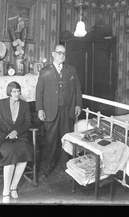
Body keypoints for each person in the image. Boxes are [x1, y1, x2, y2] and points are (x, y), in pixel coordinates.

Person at [35, 44, 82, 179]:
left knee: (67, 138)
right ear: (53, 54)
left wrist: (78, 104)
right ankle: (48, 166)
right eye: (59, 52)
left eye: (64, 53)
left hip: (67, 110)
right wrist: (40, 109)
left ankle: (66, 165)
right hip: (51, 111)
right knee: (50, 140)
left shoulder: (71, 70)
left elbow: (78, 88)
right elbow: (39, 92)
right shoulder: (45, 71)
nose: (62, 55)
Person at [0, 81, 33, 203]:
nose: (16, 94)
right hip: (3, 137)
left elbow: (28, 123)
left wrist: (17, 132)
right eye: (14, 91)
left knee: (25, 150)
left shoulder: (25, 105)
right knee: (11, 153)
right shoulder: (1, 103)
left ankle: (14, 187)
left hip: (20, 136)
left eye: (18, 91)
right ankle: (6, 190)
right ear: (9, 92)